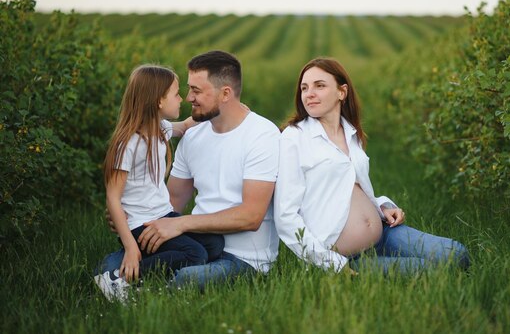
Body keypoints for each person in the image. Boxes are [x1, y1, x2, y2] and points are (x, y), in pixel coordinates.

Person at [94, 51, 280, 299]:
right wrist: (129, 217)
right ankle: (125, 283)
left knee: (186, 279)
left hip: (243, 257)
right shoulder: (192, 136)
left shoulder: (262, 135)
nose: (188, 97)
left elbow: (251, 217)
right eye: (185, 90)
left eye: (196, 90)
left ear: (226, 93)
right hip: (195, 240)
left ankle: (133, 288)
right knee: (108, 266)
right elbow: (171, 202)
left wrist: (179, 223)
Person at [274, 57, 469, 274]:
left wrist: (384, 206)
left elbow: (351, 190)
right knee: (433, 270)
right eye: (304, 88)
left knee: (457, 254)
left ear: (342, 92)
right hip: (345, 256)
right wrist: (332, 264)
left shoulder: (351, 134)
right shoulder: (294, 138)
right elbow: (285, 217)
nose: (309, 93)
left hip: (383, 232)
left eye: (319, 86)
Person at [94, 64, 224, 301]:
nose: (182, 99)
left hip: (162, 216)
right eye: (175, 94)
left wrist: (226, 108)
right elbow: (112, 197)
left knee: (214, 244)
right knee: (195, 255)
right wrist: (131, 246)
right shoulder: (129, 144)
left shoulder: (160, 129)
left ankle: (149, 270)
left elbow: (185, 126)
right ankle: (118, 278)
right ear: (158, 101)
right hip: (139, 226)